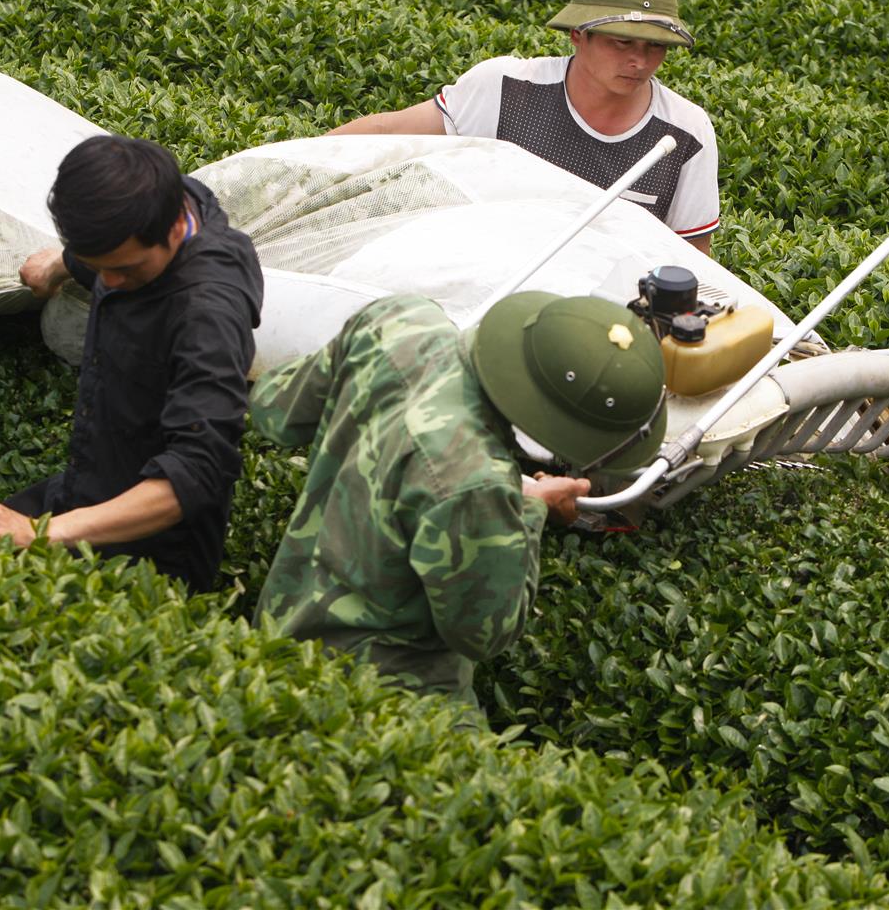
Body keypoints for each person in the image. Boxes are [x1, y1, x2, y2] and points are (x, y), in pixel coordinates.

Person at [249, 290, 663, 710]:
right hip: (365, 698)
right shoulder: (478, 486)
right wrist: (532, 507)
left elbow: (273, 412)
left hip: (278, 628)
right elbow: (485, 634)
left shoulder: (400, 317)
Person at [0, 136, 263, 593]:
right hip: (88, 482)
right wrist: (59, 265)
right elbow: (112, 255)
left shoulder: (206, 316)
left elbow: (198, 471)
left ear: (174, 228)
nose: (109, 283)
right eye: (97, 266)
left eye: (126, 270)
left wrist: (44, 533)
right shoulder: (158, 202)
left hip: (154, 545)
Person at [327, 0, 720, 253]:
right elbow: (388, 131)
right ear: (578, 35)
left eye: (655, 46)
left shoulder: (686, 132)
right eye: (622, 42)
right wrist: (295, 170)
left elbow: (692, 259)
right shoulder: (506, 87)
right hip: (482, 269)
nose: (640, 61)